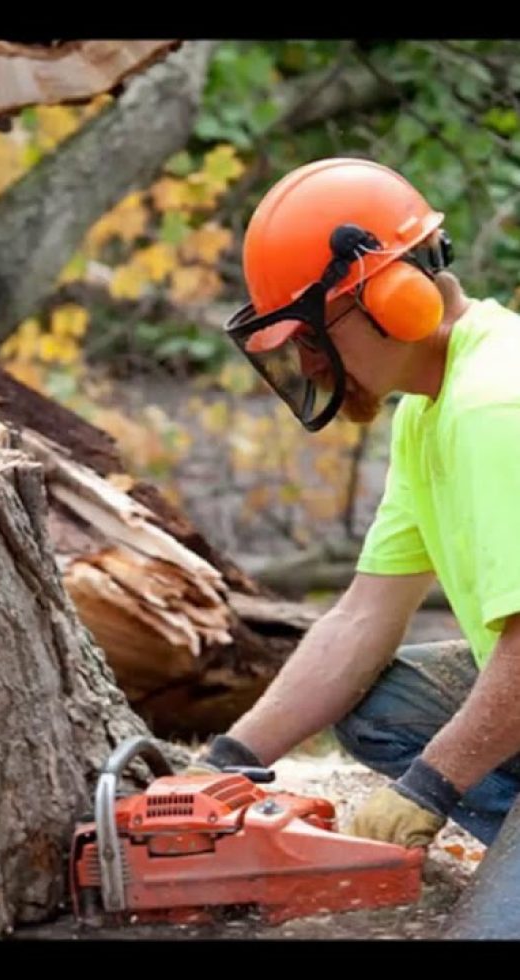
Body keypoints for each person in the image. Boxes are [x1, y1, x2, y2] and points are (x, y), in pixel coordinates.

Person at [188, 157, 520, 849]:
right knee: (386, 706)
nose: (309, 365)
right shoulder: (429, 410)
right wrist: (227, 764)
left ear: (393, 295)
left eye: (311, 337)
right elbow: (364, 617)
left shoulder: (493, 405)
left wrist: (432, 783)